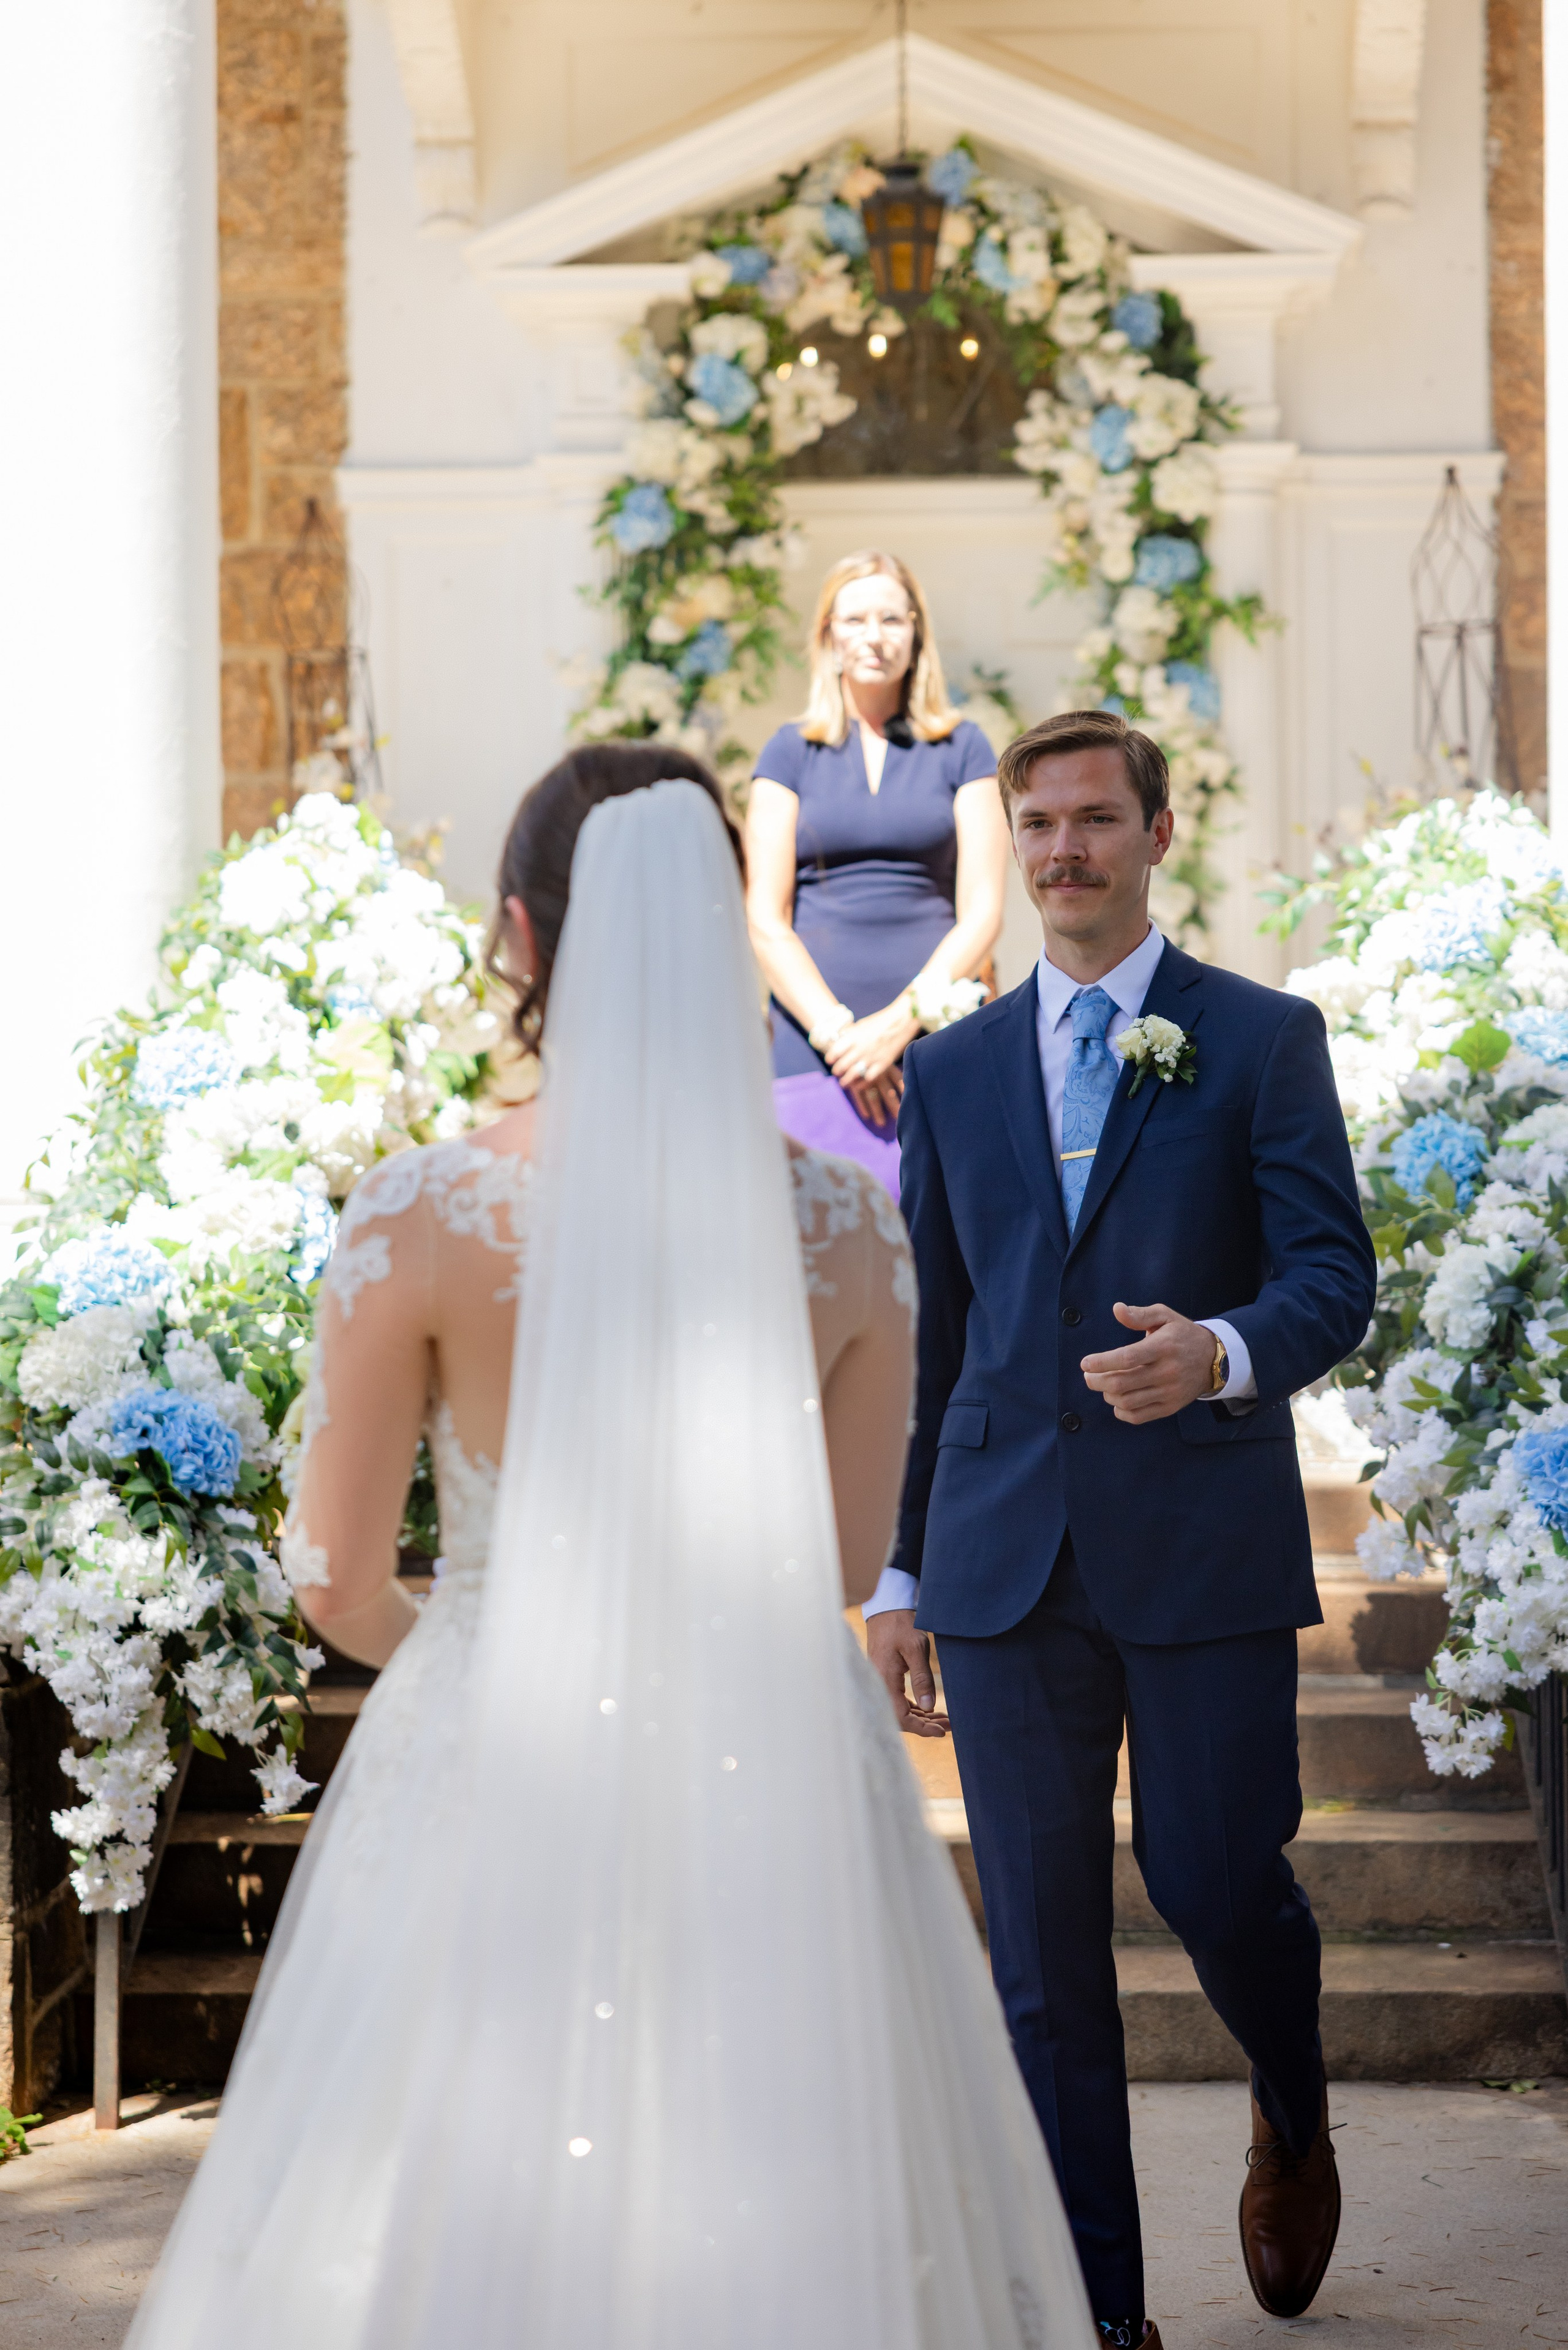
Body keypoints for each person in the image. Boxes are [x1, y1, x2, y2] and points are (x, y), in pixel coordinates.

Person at [126, 744, 1095, 2350]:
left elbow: (334, 1574)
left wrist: (481, 1640)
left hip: (492, 1740)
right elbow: (838, 1558)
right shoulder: (846, 1225)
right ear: (724, 928)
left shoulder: (417, 1212)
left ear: (521, 933)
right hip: (770, 1751)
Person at [865, 710, 1378, 2349]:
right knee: (1040, 1962)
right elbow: (932, 1339)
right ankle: (1102, 2320)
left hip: (1202, 1539)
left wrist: (1216, 1350)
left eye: (1094, 819)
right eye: (1036, 824)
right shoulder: (952, 1073)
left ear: (1156, 834)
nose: (1063, 850)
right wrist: (899, 1567)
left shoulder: (1261, 1037)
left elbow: (1332, 1276)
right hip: (1002, 1556)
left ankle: (1289, 2099)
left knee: (1214, 1876)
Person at [746, 549, 1010, 1192]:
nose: (874, 636)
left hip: (937, 1034)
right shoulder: (787, 752)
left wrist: (899, 1025)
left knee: (940, 1229)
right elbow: (765, 919)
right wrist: (839, 1037)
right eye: (855, 619)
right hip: (814, 1044)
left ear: (916, 633)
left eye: (891, 619)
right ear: (828, 635)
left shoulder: (965, 747)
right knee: (818, 1225)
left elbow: (983, 912)